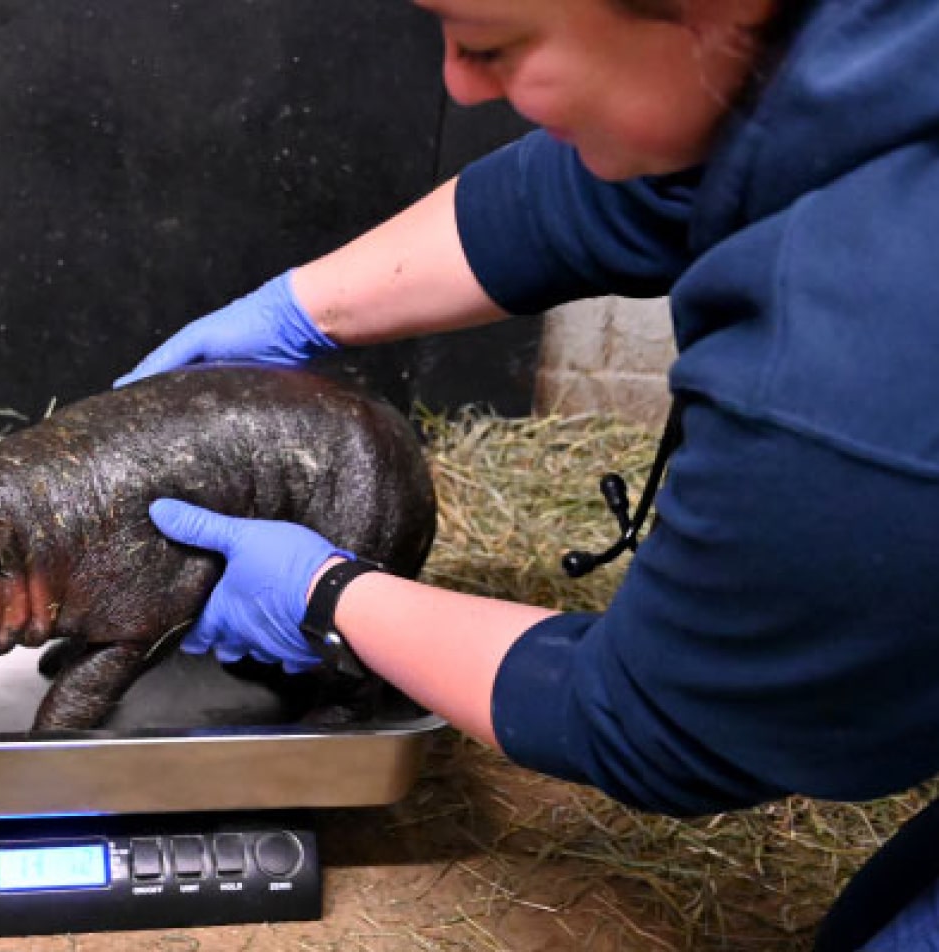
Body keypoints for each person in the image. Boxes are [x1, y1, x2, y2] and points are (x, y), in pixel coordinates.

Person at [116, 0, 939, 945]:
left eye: (493, 42)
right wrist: (301, 309)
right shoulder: (831, 46)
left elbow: (659, 717)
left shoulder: (853, 383)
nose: (459, 82)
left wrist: (324, 596)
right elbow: (618, 183)